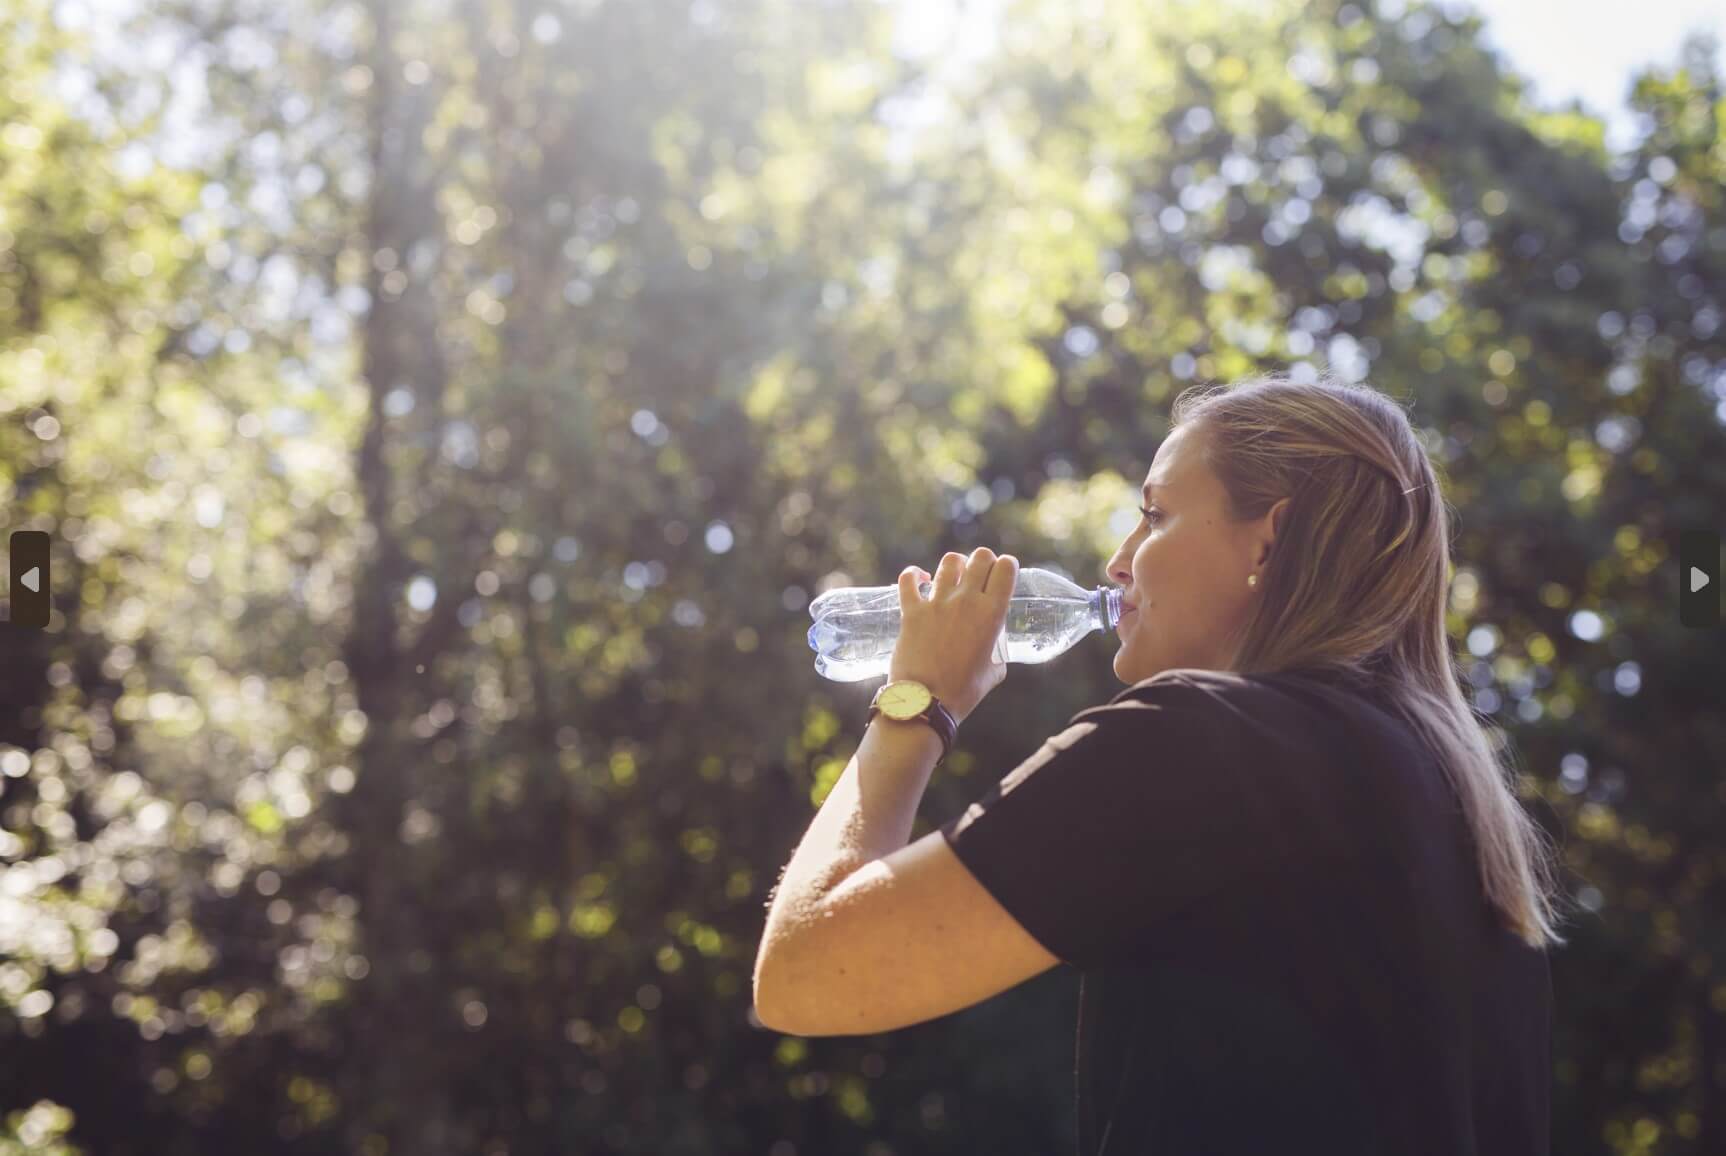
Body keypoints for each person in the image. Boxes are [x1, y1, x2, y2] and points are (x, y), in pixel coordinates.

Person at [753, 373, 1569, 1155]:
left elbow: (803, 973)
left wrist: (918, 701)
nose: (1118, 562)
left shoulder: (1201, 742)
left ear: (1270, 538)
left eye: (1155, 515)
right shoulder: (1469, 825)